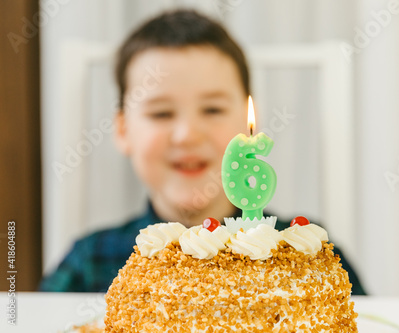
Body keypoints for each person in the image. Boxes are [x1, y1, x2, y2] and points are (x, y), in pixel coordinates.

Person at [39, 9, 366, 295]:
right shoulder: (91, 262)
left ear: (249, 122)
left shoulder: (305, 251)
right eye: (161, 114)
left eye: (212, 109)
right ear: (124, 130)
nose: (187, 135)